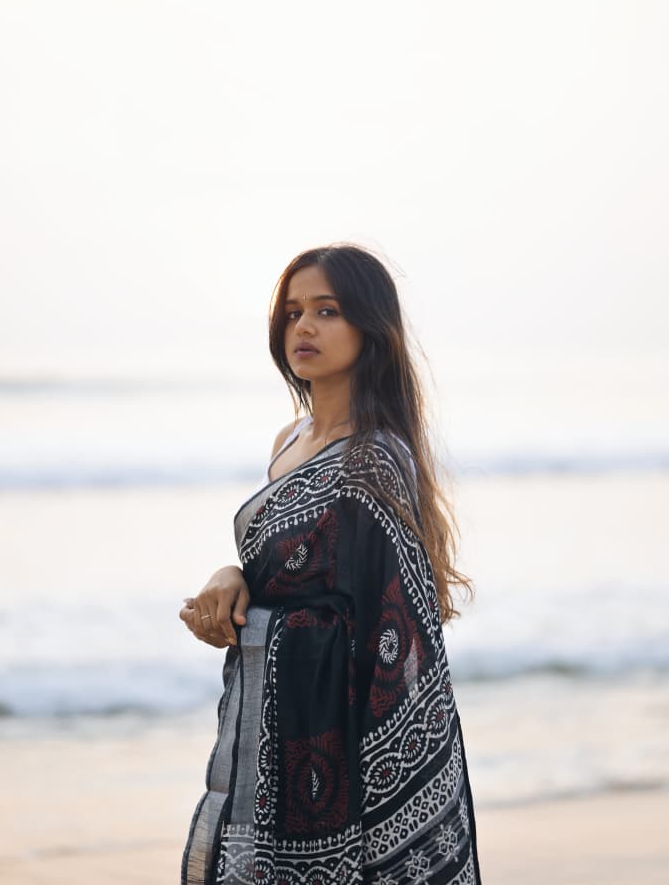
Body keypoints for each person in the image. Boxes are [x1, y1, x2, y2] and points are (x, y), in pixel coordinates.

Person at [179, 243, 482, 884]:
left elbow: (392, 630)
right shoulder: (287, 442)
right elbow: (284, 575)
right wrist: (228, 577)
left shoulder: (375, 461)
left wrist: (259, 619)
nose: (304, 328)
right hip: (273, 739)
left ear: (369, 330)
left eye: (327, 310)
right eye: (292, 313)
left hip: (339, 751)